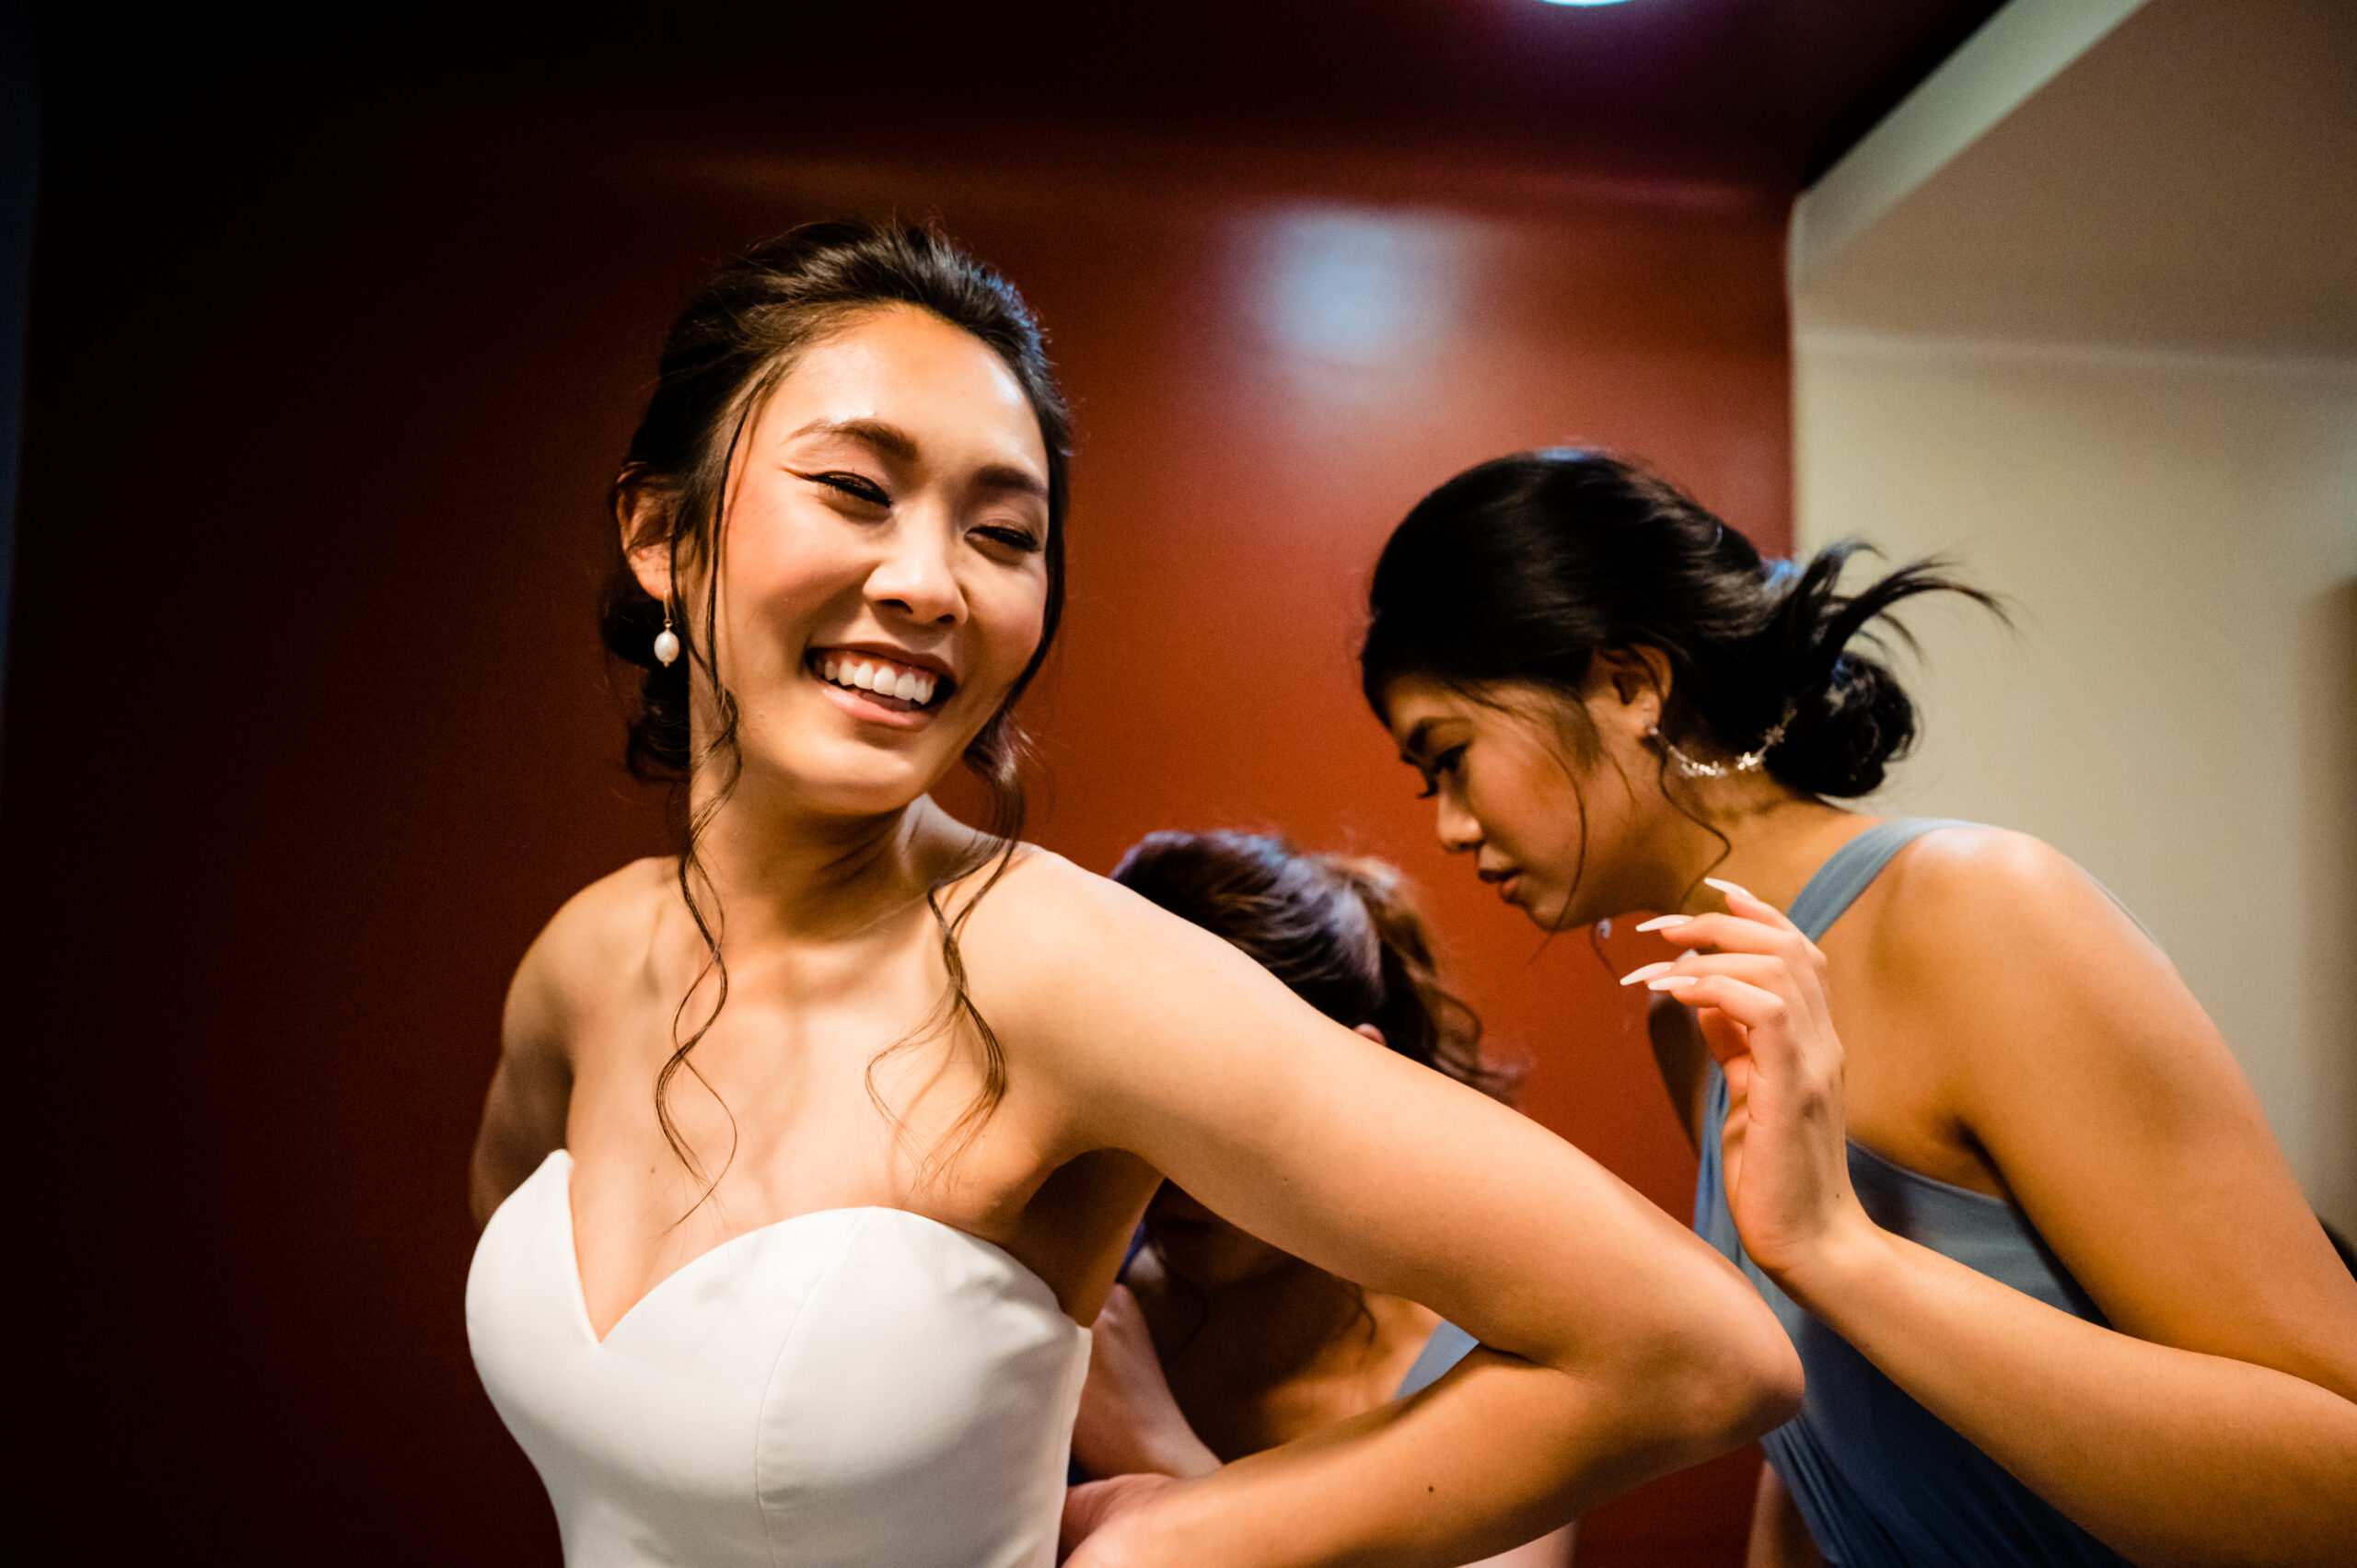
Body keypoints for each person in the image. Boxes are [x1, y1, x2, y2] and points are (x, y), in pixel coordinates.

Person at [463, 226, 1801, 1568]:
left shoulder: (1062, 970)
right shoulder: (583, 959)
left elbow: (1694, 1350)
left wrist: (1183, 1537)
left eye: (1003, 532)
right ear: (658, 532)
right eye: (855, 490)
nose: (932, 582)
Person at [1359, 447, 2357, 1568]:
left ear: (1631, 684)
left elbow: (2339, 1483)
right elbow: (1830, 1439)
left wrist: (1840, 1247)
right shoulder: (1693, 1018)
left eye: (1449, 756)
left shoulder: (1974, 910)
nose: (1447, 826)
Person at [1070, 830, 1575, 1568]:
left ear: (1351, 1075)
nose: (1163, 1158)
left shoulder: (1492, 1374)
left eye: (1212, 1099)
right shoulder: (1074, 1313)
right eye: (1126, 1097)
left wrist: (1166, 1461)